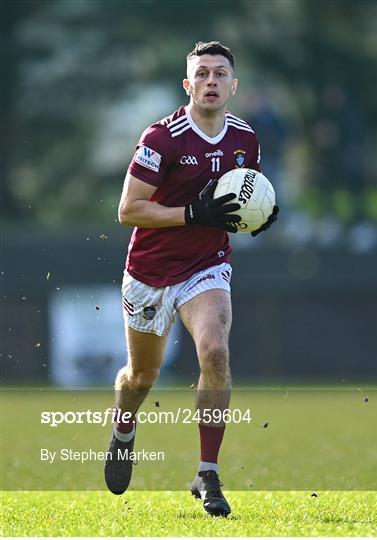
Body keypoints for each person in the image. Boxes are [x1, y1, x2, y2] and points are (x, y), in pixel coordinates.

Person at [104, 41, 278, 517]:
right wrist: (192, 212)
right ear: (188, 85)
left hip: (207, 266)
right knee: (141, 377)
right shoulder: (162, 138)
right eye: (201, 74)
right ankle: (123, 428)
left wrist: (258, 217)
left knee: (215, 351)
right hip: (150, 272)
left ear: (233, 85)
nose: (211, 81)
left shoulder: (246, 138)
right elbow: (128, 210)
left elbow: (245, 198)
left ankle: (207, 472)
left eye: (220, 74)